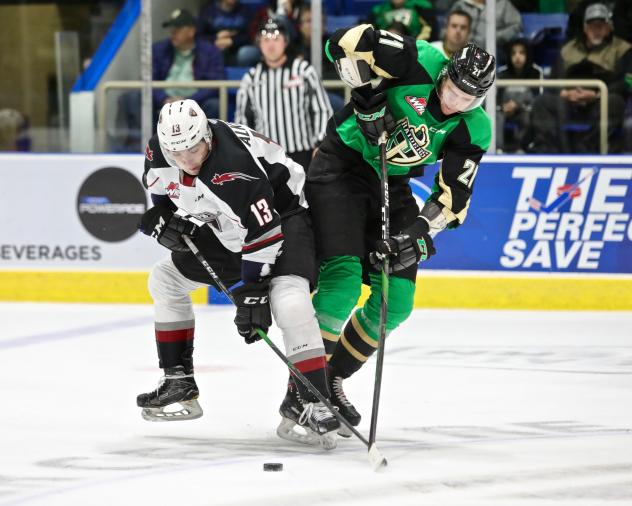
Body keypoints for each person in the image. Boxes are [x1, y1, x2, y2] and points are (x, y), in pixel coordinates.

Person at [304, 26, 495, 435]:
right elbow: (339, 43)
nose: (455, 101)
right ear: (445, 72)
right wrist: (364, 95)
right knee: (342, 284)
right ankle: (303, 392)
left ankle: (328, 380)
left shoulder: (473, 129)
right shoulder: (418, 58)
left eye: (469, 98)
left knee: (398, 302)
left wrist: (421, 233)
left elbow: (453, 198)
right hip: (343, 166)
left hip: (393, 181)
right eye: (453, 89)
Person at [136, 99, 340, 449]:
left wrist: (253, 290)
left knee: (288, 301)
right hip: (227, 228)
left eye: (194, 149)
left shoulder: (233, 165)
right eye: (178, 154)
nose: (188, 160)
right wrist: (163, 217)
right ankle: (178, 379)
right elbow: (163, 192)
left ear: (207, 136)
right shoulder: (160, 150)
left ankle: (314, 399)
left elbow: (264, 230)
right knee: (164, 279)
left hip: (284, 218)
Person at [528, 3, 632, 153]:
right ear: (584, 28)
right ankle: (549, 151)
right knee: (541, 103)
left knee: (615, 102)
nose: (596, 30)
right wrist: (564, 93)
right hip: (569, 103)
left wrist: (597, 94)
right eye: (592, 26)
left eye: (600, 26)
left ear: (609, 27)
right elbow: (553, 81)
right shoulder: (568, 50)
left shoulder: (622, 49)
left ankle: (586, 148)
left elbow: (626, 82)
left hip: (599, 102)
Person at [116, 8, 223, 151]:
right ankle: (140, 147)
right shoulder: (159, 49)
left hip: (195, 102)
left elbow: (214, 84)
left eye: (178, 28)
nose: (172, 32)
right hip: (164, 100)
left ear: (191, 31)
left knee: (214, 104)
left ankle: (204, 148)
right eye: (171, 28)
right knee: (131, 98)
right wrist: (165, 99)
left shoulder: (210, 52)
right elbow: (148, 79)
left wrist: (188, 101)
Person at [235, 18, 332, 171]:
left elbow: (321, 109)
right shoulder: (251, 78)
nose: (271, 44)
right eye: (265, 39)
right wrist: (248, 150)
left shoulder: (304, 70)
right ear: (259, 44)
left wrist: (321, 143)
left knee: (306, 194)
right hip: (266, 156)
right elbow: (243, 119)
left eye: (276, 39)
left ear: (285, 42)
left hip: (303, 153)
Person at [496, 38, 544, 152]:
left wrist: (519, 105)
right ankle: (498, 149)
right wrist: (503, 107)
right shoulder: (502, 73)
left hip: (526, 109)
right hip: (505, 110)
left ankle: (523, 147)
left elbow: (538, 98)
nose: (517, 57)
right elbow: (496, 99)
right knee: (496, 115)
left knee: (528, 116)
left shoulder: (536, 72)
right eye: (514, 53)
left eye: (521, 53)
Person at [197, 0, 252, 66]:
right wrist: (215, 38)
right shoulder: (208, 11)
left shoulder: (245, 10)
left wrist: (232, 41)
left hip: (239, 47)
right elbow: (199, 36)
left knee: (246, 53)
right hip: (215, 45)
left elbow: (251, 35)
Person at [450, 0, 522, 49]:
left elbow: (516, 25)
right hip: (459, 46)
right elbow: (447, 27)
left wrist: (496, 36)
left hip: (490, 49)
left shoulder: (503, 4)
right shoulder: (461, 4)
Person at [367, 0, 439, 42]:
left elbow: (432, 35)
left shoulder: (422, 7)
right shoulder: (378, 11)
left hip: (416, 51)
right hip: (384, 49)